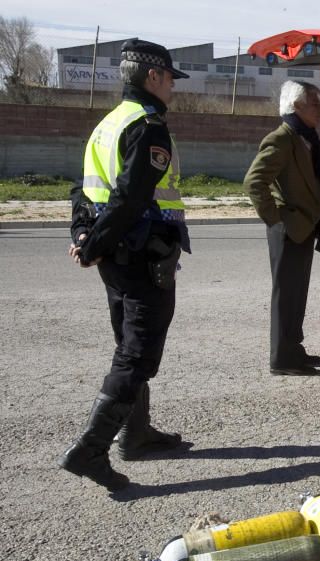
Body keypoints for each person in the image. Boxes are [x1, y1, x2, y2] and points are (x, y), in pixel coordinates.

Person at [59, 39, 191, 492]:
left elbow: (82, 190)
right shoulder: (148, 126)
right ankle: (91, 450)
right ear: (152, 77)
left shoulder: (107, 124)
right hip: (142, 256)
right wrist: (93, 242)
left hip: (115, 257)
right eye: (170, 77)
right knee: (137, 355)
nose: (173, 85)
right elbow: (131, 197)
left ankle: (136, 433)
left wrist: (84, 237)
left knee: (126, 346)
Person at [244, 80, 320, 375]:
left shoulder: (304, 137)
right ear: (297, 106)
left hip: (303, 227)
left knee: (297, 292)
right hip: (289, 228)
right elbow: (254, 182)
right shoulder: (281, 138)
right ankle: (281, 358)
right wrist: (277, 219)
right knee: (286, 294)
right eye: (315, 103)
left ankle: (294, 348)